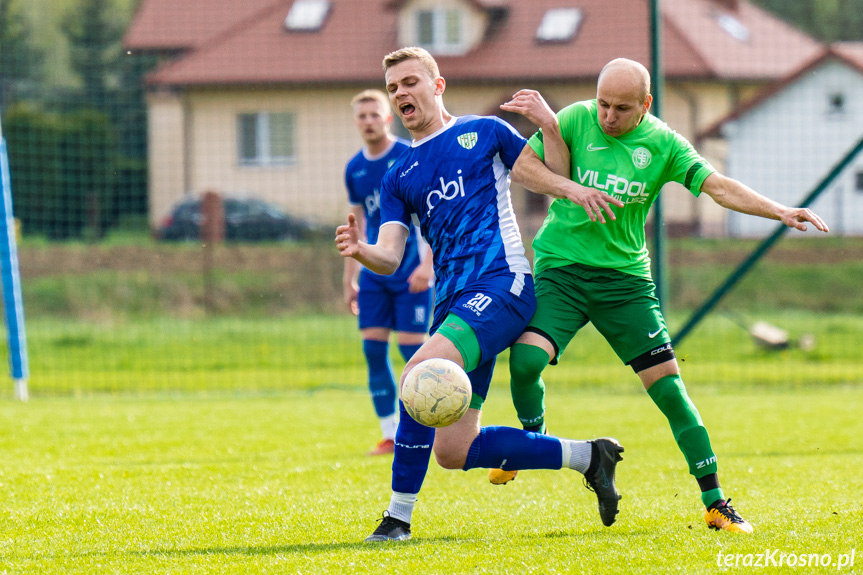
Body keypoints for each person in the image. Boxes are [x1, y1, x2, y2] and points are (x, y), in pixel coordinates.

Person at [493, 58, 829, 534]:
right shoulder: (572, 118)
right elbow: (525, 169)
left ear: (646, 104)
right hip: (562, 271)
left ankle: (715, 503)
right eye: (603, 103)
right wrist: (572, 187)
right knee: (525, 363)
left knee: (670, 391)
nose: (608, 116)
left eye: (622, 108)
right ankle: (533, 443)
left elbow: (718, 187)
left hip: (626, 284)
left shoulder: (664, 143)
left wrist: (779, 211)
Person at [335, 47, 626, 542]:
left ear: (437, 85)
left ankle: (397, 519)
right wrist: (360, 250)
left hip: (502, 286)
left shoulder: (484, 132)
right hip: (453, 305)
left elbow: (555, 173)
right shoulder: (397, 175)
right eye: (393, 88)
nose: (401, 93)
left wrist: (550, 126)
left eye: (410, 82)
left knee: (417, 374)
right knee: (454, 451)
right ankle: (589, 456)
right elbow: (389, 255)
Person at [343, 89, 434, 456]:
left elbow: (426, 214)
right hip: (373, 278)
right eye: (361, 116)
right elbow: (357, 227)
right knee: (373, 351)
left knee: (415, 354)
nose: (368, 121)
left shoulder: (407, 156)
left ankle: (425, 427)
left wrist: (428, 266)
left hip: (410, 270)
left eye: (374, 114)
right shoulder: (354, 168)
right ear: (356, 123)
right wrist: (349, 278)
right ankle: (389, 434)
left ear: (388, 118)